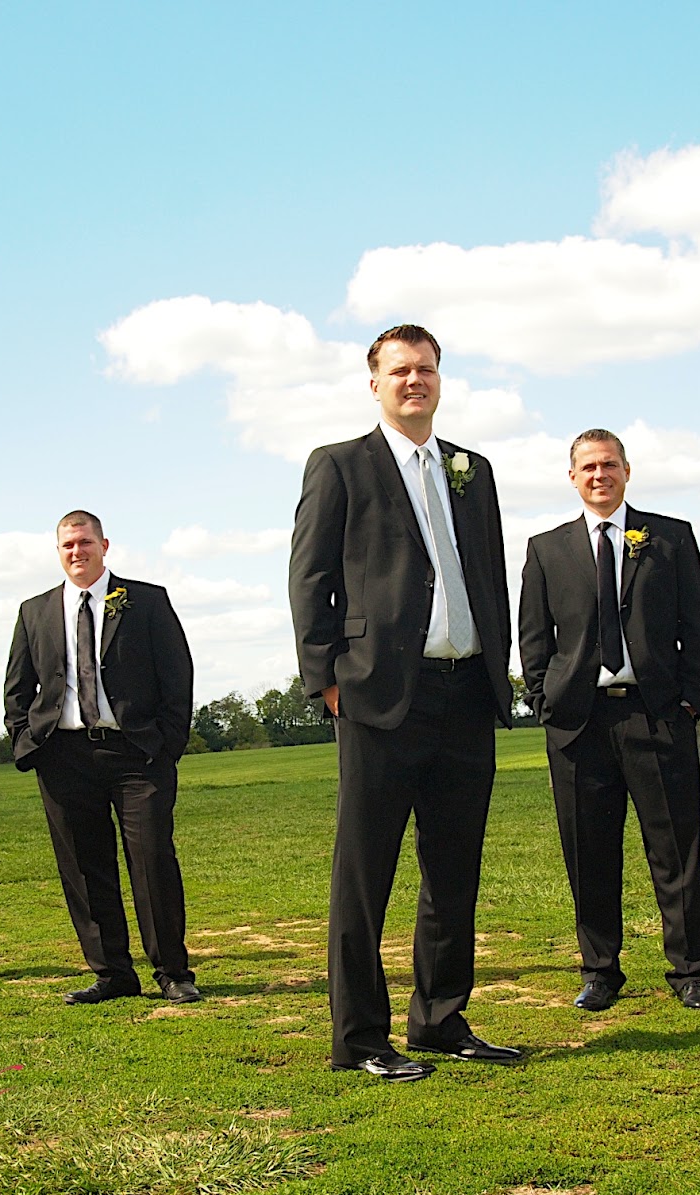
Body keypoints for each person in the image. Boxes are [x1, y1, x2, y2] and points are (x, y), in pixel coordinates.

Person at [288, 324, 520, 1082]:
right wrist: (326, 678)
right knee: (365, 876)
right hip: (379, 696)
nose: (414, 380)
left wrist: (498, 668)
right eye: (399, 371)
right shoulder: (339, 465)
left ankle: (440, 1020)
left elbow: (488, 574)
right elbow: (309, 578)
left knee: (453, 871)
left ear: (439, 379)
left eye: (426, 369)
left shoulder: (472, 470)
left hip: (466, 691)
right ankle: (360, 1038)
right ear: (375, 384)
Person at [519, 429, 700, 1013]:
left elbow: (696, 622)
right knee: (590, 854)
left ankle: (691, 971)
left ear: (627, 471)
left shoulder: (671, 538)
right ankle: (599, 971)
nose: (599, 475)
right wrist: (545, 701)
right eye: (587, 467)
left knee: (676, 850)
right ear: (572, 478)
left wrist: (688, 699)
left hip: (657, 716)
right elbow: (534, 635)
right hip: (579, 725)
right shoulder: (546, 550)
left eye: (609, 464)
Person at [4, 510, 200, 1004]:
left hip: (138, 755)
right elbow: (17, 687)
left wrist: (167, 744)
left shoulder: (147, 601)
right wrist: (28, 741)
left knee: (152, 860)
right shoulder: (34, 611)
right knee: (84, 868)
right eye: (68, 545)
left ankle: (173, 972)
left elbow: (177, 674)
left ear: (104, 545)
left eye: (85, 542)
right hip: (63, 756)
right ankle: (113, 974)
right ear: (58, 551)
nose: (77, 551)